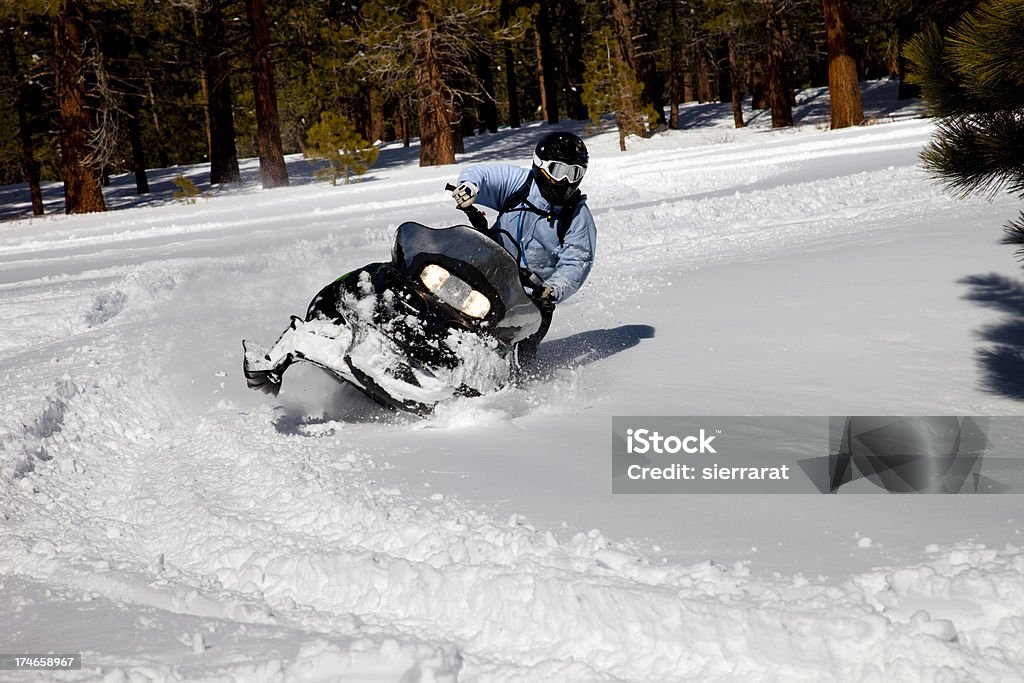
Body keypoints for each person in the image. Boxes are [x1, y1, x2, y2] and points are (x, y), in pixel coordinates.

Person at [450, 131, 596, 365]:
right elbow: (483, 174)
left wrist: (553, 289)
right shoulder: (520, 184)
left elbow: (577, 261)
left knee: (519, 359)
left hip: (532, 298)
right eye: (559, 171)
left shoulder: (576, 216)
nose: (566, 181)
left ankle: (519, 391)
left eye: (574, 173)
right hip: (489, 272)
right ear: (540, 165)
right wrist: (470, 186)